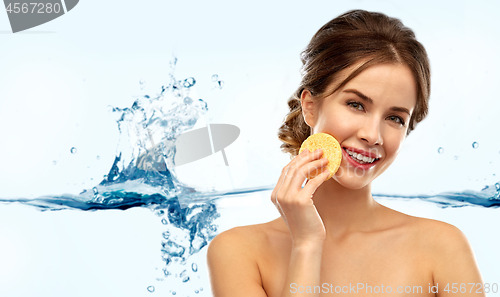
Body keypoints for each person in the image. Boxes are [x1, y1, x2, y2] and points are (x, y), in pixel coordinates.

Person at [206, 9, 484, 297]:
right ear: (310, 106)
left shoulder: (442, 247)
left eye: (395, 118)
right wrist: (307, 244)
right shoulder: (237, 252)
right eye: (356, 104)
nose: (373, 135)